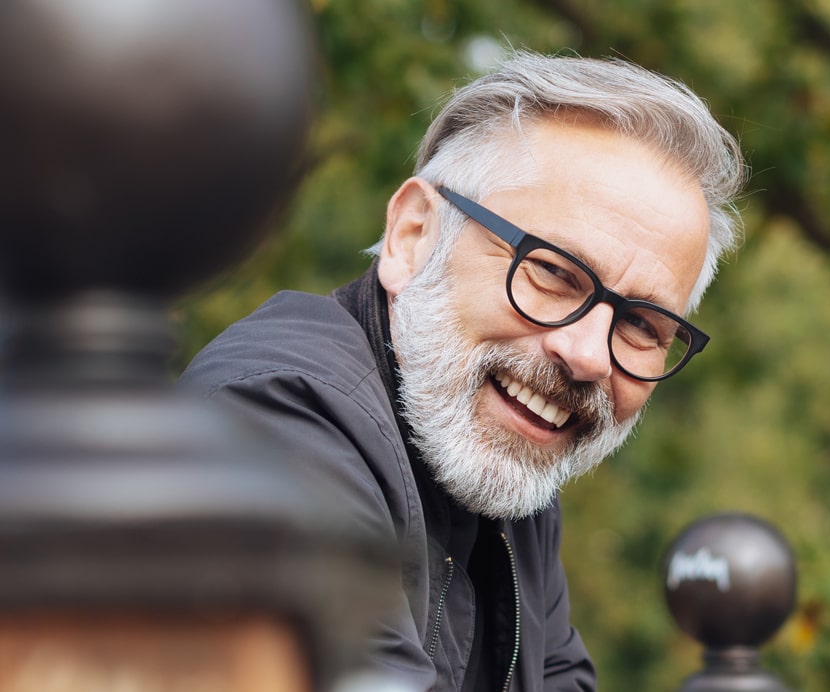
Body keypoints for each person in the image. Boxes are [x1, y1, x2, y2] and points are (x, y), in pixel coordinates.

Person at [181, 51, 746, 690]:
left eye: (642, 324)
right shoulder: (275, 421)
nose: (588, 354)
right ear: (413, 235)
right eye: (554, 273)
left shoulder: (503, 463)